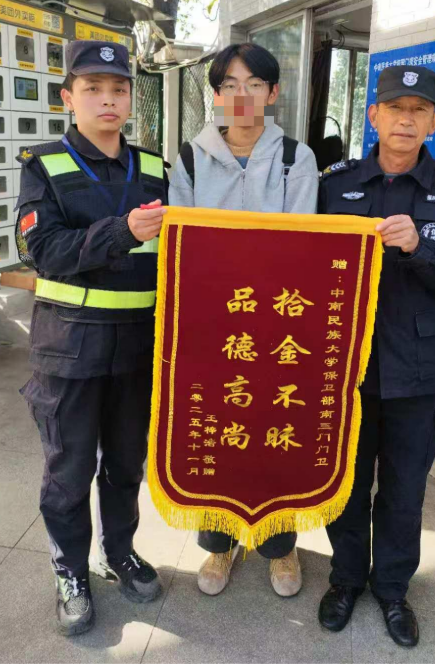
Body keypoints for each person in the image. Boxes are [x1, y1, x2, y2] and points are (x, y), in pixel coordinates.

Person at [317, 65, 435, 647]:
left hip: (417, 369)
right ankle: (345, 580)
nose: (406, 120)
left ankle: (392, 589)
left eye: (418, 111)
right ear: (374, 116)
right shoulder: (335, 186)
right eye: (395, 108)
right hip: (346, 366)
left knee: (404, 489)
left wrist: (419, 248)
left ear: (434, 121)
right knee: (346, 485)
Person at [15, 41, 168, 636]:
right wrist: (122, 231)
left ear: (131, 97)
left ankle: (119, 551)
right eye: (93, 89)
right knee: (69, 470)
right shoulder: (44, 165)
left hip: (136, 351)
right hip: (69, 351)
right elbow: (44, 250)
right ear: (68, 97)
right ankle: (70, 572)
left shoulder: (153, 168)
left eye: (119, 89)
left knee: (126, 465)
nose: (108, 100)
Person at [169, 42, 319, 597]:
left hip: (278, 324)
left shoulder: (296, 158)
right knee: (217, 428)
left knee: (275, 431)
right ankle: (220, 543)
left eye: (254, 84)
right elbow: (183, 244)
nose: (242, 95)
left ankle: (280, 545)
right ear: (216, 95)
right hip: (213, 323)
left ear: (272, 93)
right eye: (229, 85)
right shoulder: (188, 159)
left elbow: (300, 245)